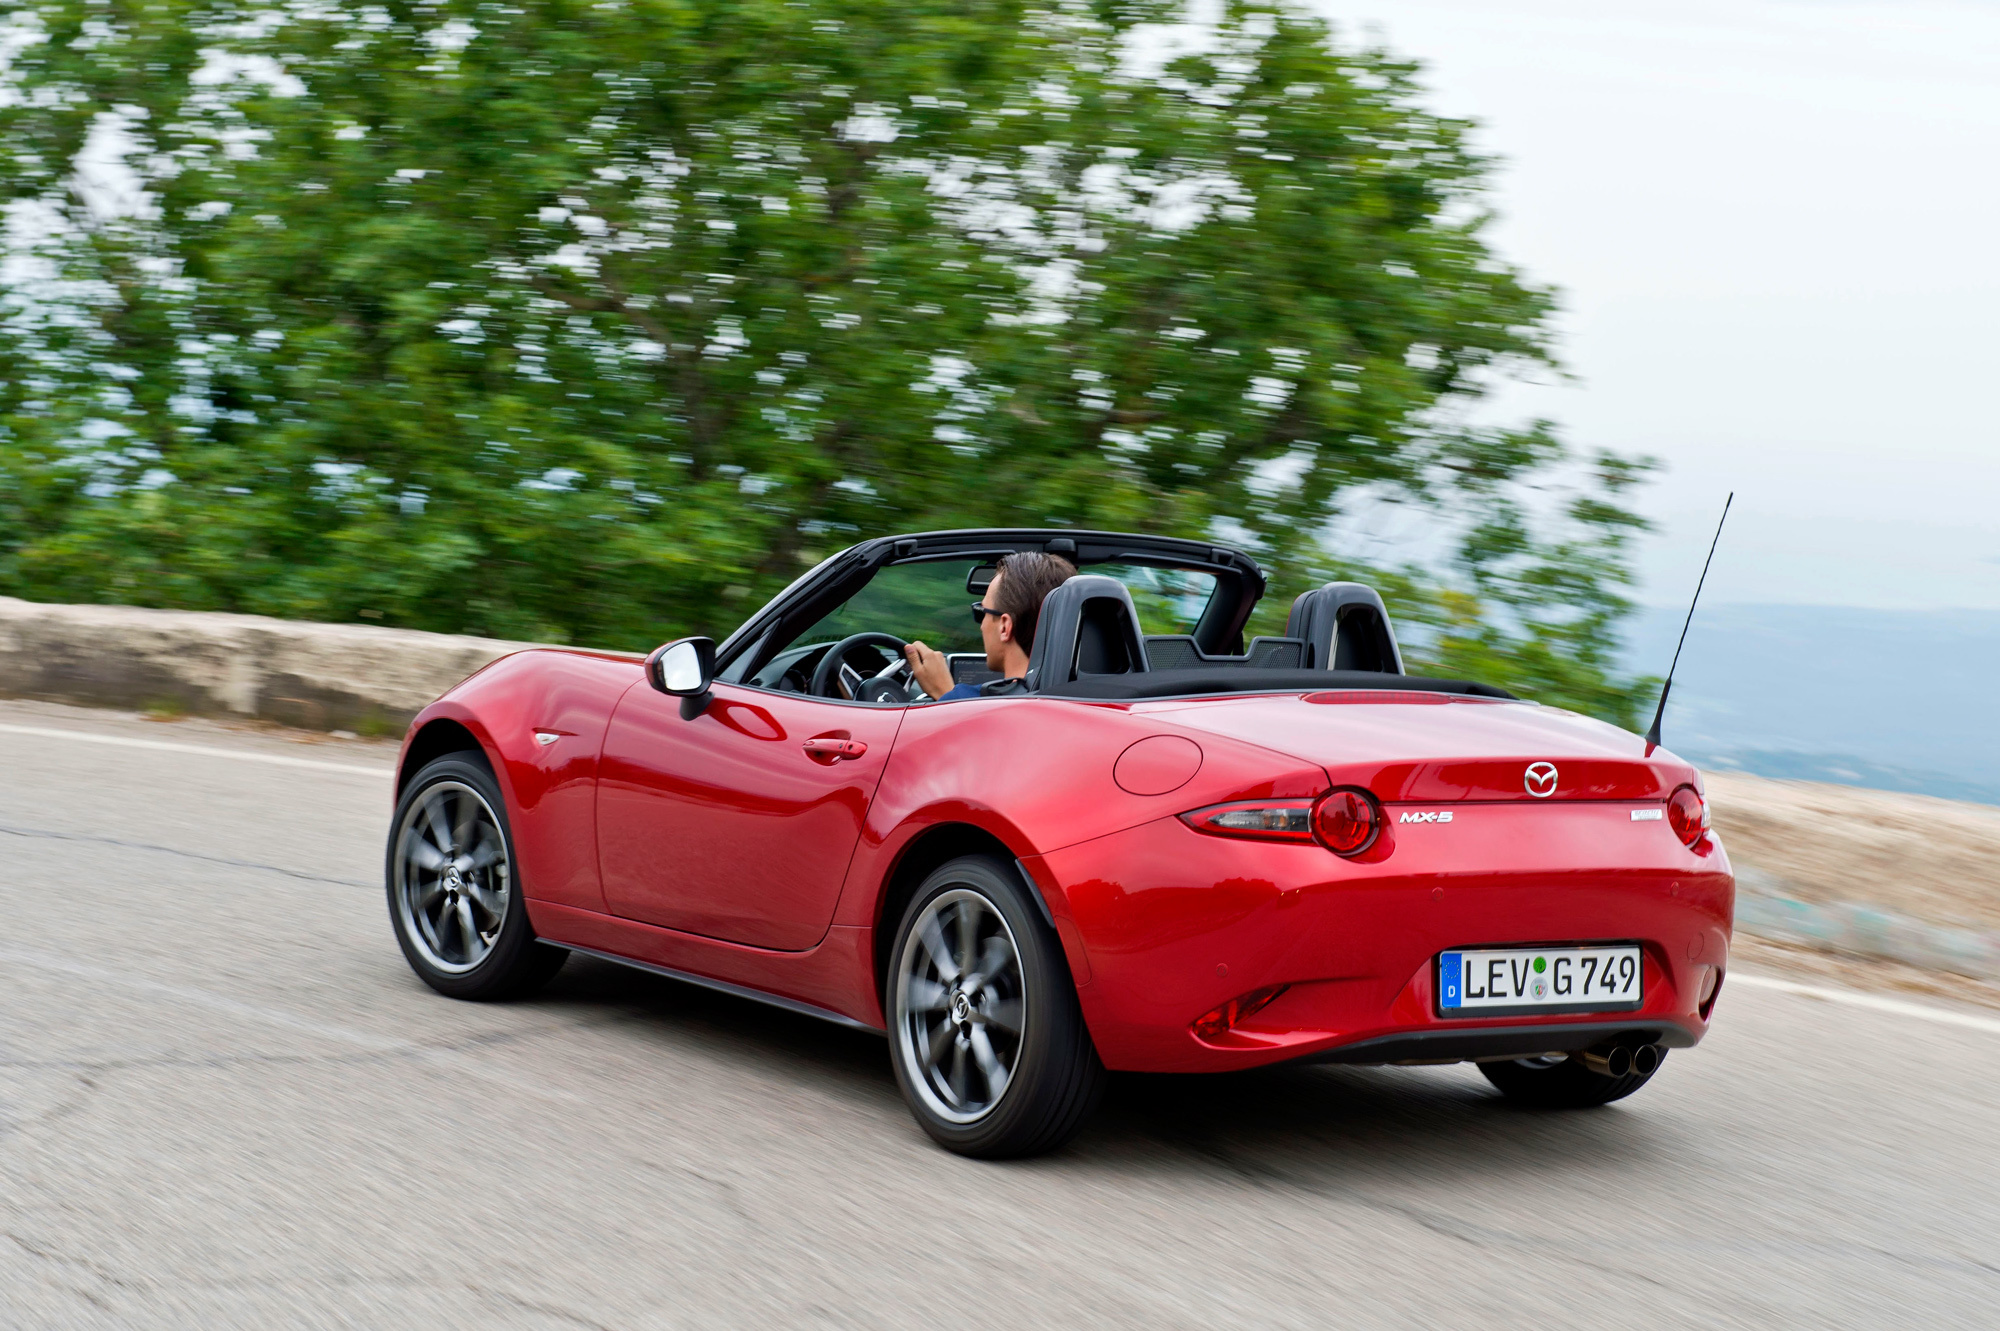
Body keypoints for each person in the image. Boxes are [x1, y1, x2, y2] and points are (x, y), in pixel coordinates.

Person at [904, 551, 1076, 701]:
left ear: (1004, 627)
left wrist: (946, 694)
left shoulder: (982, 705)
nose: (981, 626)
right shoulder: (1083, 698)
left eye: (982, 612)